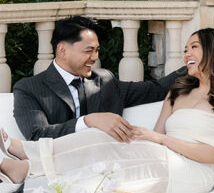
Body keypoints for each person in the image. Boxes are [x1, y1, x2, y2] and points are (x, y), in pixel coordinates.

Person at [0, 28, 214, 193]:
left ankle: (28, 156)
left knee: (109, 147)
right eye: (186, 48)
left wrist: (160, 140)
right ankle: (28, 163)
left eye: (194, 47)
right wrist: (143, 137)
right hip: (161, 157)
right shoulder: (178, 91)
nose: (187, 53)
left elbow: (212, 154)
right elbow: (155, 133)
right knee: (105, 136)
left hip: (192, 173)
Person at [13, 15, 184, 143]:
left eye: (97, 50)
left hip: (105, 171)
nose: (95, 57)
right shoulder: (29, 88)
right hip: (56, 172)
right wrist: (89, 121)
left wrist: (197, 65)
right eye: (88, 50)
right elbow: (38, 136)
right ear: (62, 50)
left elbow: (156, 89)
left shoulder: (105, 81)